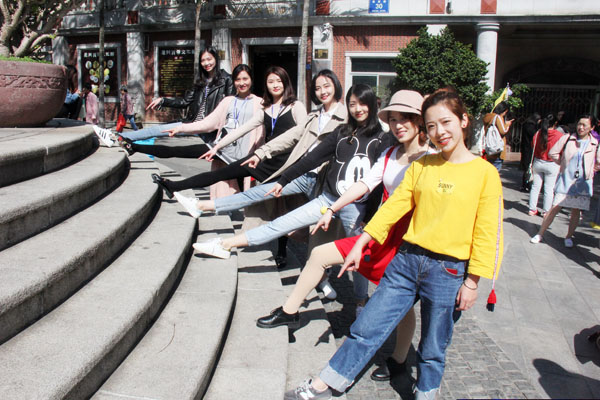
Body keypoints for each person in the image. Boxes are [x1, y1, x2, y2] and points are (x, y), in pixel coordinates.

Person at [285, 88, 504, 400]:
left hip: (448, 271)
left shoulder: (484, 173)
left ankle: (426, 393)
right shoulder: (423, 166)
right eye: (432, 126)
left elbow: (488, 232)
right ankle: (326, 382)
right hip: (406, 261)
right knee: (367, 326)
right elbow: (392, 209)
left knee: (433, 345)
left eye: (446, 122)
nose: (439, 132)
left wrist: (473, 281)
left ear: (464, 120)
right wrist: (362, 242)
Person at [255, 90, 429, 383]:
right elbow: (364, 184)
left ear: (419, 120)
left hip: (409, 240)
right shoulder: (390, 154)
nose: (399, 125)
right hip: (380, 232)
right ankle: (290, 311)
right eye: (394, 119)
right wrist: (332, 209)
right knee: (319, 255)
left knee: (400, 304)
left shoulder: (432, 158)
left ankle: (399, 360)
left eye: (406, 119)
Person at [191, 84, 390, 266]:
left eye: (363, 104)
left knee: (360, 255)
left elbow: (378, 183)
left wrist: (369, 216)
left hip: (356, 207)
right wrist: (284, 179)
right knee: (280, 223)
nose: (358, 109)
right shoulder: (340, 131)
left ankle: (351, 293)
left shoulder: (382, 138)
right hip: (326, 198)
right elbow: (311, 158)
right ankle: (224, 244)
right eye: (353, 104)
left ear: (372, 105)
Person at [151, 65, 307, 197]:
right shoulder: (265, 109)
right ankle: (174, 186)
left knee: (276, 200)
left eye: (279, 81)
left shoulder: (296, 106)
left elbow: (304, 134)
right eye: (270, 82)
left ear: (286, 83)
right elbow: (241, 130)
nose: (275, 85)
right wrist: (217, 147)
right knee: (220, 174)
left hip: (288, 161)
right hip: (266, 159)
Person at [120, 64, 264, 198]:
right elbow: (207, 123)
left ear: (251, 80)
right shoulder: (228, 101)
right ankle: (134, 147)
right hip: (221, 149)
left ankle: (173, 186)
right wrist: (181, 128)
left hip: (244, 156)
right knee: (180, 151)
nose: (242, 83)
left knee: (236, 189)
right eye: (238, 79)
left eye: (245, 79)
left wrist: (259, 154)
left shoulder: (260, 103)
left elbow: (263, 133)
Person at [95, 46, 234, 143]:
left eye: (209, 59)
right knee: (158, 130)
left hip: (210, 127)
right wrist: (163, 101)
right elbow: (184, 102)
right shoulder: (200, 81)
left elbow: (230, 109)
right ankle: (116, 137)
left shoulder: (227, 79)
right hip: (193, 124)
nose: (206, 63)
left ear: (216, 59)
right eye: (203, 60)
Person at [530, 114, 600, 248]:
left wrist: (590, 171)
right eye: (579, 124)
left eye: (584, 125)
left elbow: (598, 161)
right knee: (554, 208)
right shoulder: (567, 138)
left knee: (576, 211)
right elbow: (553, 153)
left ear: (591, 127)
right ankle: (540, 233)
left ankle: (568, 236)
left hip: (582, 183)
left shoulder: (594, 143)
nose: (581, 127)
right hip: (566, 180)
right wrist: (562, 164)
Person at [527, 114, 563, 216]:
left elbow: (533, 145)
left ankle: (532, 209)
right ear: (555, 123)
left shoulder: (538, 133)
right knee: (549, 189)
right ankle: (546, 211)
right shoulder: (559, 135)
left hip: (538, 162)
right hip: (552, 164)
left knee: (535, 187)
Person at [483, 101, 513, 171]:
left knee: (489, 170)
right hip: (497, 150)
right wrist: (507, 125)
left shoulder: (488, 117)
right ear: (504, 111)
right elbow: (503, 131)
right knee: (495, 171)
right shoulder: (497, 117)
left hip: (489, 148)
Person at [520, 112, 541, 191]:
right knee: (528, 167)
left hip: (526, 148)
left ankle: (526, 184)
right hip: (528, 148)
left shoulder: (527, 124)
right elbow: (533, 135)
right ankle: (526, 184)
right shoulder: (530, 126)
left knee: (528, 167)